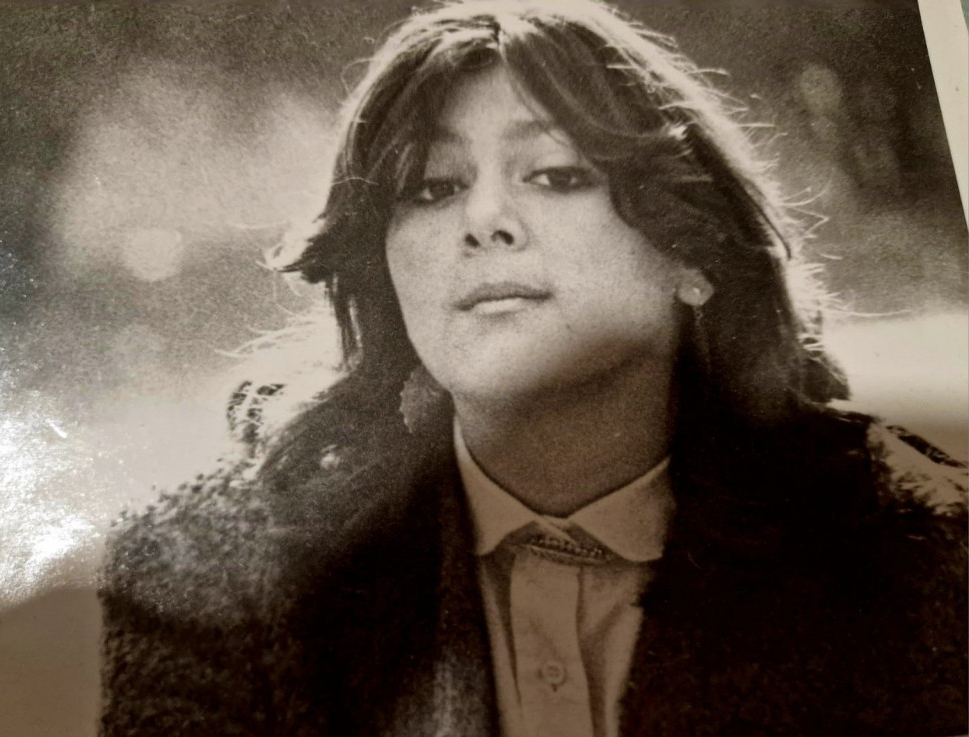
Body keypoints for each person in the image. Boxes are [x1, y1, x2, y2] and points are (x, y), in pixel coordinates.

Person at [99, 1, 967, 735]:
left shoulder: (916, 552)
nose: (483, 218)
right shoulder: (206, 573)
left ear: (692, 252)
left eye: (554, 174)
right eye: (431, 187)